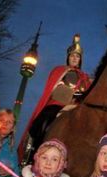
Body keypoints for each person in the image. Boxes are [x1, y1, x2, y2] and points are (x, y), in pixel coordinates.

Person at [19, 34, 91, 165]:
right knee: (42, 121)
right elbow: (54, 91)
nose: (74, 58)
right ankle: (33, 153)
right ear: (68, 58)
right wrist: (68, 92)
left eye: (77, 56)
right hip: (56, 104)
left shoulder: (85, 77)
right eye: (72, 56)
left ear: (80, 60)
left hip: (75, 107)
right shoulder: (59, 70)